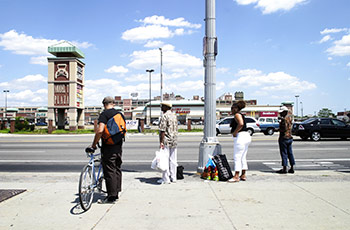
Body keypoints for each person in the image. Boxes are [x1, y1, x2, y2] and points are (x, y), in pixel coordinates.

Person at [91, 96, 124, 203]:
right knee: (117, 168)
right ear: (113, 103)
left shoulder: (104, 114)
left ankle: (111, 197)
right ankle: (116, 192)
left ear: (104, 104)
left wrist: (94, 144)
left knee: (109, 170)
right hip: (118, 145)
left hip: (108, 146)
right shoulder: (120, 114)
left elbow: (100, 130)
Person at [228, 100, 251, 183]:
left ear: (236, 108)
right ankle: (243, 174)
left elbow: (240, 124)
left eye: (232, 108)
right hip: (246, 136)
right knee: (243, 156)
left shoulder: (237, 115)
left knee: (237, 157)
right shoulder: (241, 114)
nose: (231, 110)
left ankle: (236, 176)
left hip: (240, 136)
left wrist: (235, 132)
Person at [158, 102, 178, 184]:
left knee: (165, 159)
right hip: (174, 140)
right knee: (173, 160)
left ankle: (166, 178)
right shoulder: (174, 116)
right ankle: (173, 177)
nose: (161, 107)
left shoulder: (164, 116)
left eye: (162, 106)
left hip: (166, 140)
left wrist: (161, 142)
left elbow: (162, 130)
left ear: (166, 107)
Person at [277, 106, 295, 174]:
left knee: (284, 153)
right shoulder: (290, 118)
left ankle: (284, 168)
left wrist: (279, 127)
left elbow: (283, 129)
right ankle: (292, 167)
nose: (280, 114)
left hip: (283, 137)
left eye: (281, 113)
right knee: (290, 153)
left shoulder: (283, 119)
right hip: (290, 137)